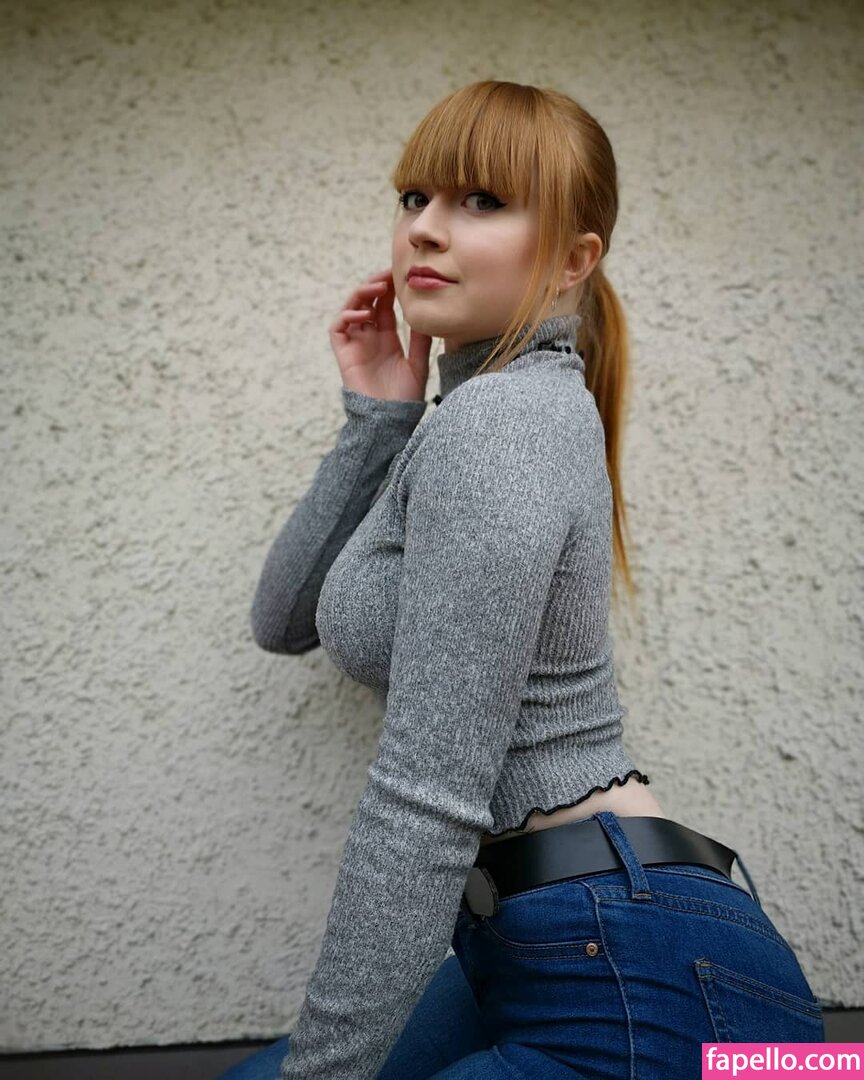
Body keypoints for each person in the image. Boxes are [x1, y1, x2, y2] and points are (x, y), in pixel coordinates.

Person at [225, 81, 824, 1080]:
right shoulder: (482, 416)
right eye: (414, 197)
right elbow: (284, 621)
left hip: (641, 975)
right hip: (567, 942)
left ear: (575, 260)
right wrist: (377, 420)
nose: (425, 228)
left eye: (482, 201)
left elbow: (427, 797)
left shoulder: (503, 422)